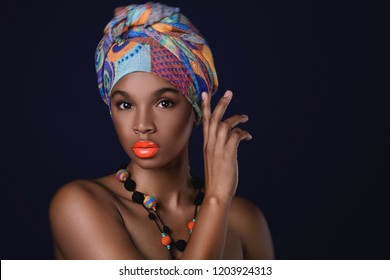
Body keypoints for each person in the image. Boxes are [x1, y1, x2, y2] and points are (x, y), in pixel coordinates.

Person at [49, 1, 274, 260]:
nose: (143, 124)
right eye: (125, 104)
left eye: (164, 103)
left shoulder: (244, 220)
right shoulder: (79, 206)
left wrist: (218, 201)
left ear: (197, 108)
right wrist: (215, 200)